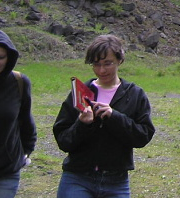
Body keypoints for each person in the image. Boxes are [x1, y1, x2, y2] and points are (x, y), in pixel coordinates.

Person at [53, 34, 155, 198]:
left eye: (108, 63)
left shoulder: (135, 94)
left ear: (119, 60)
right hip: (77, 178)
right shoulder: (80, 92)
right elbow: (63, 141)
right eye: (96, 64)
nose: (101, 70)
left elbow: (143, 136)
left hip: (116, 181)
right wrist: (82, 124)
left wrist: (114, 117)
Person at [0, 29, 36, 198]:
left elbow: (26, 121)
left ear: (9, 57)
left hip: (7, 170)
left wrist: (25, 152)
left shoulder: (19, 82)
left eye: (0, 57)